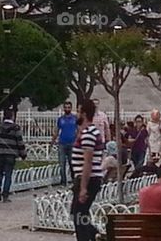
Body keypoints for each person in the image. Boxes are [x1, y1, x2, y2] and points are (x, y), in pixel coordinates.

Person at [71, 98, 105, 241]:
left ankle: (90, 236)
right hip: (87, 178)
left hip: (88, 179)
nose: (76, 114)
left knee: (79, 215)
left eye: (78, 111)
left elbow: (88, 162)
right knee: (78, 213)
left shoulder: (89, 134)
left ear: (84, 114)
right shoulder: (88, 132)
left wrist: (83, 188)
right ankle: (96, 235)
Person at [0, 109, 26, 202]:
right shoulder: (16, 128)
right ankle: (5, 195)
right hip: (11, 154)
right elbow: (20, 142)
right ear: (12, 116)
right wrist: (23, 154)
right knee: (8, 174)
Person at [54, 101, 78, 185]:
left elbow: (78, 130)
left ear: (71, 108)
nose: (67, 109)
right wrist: (52, 141)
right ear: (64, 108)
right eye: (66, 107)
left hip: (72, 143)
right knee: (62, 163)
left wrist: (77, 140)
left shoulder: (75, 118)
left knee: (72, 163)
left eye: (69, 107)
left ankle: (73, 180)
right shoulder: (61, 119)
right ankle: (63, 181)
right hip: (62, 143)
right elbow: (57, 131)